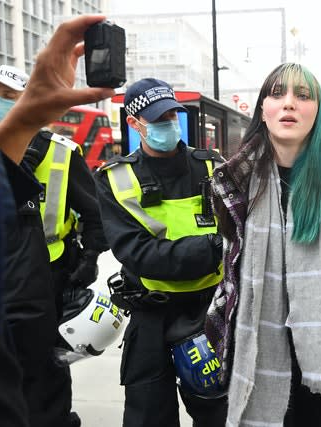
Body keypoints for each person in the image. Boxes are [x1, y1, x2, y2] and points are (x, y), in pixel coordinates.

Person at [204, 63, 321, 427]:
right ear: (263, 109)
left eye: (302, 96)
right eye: (278, 94)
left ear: (317, 110)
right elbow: (231, 256)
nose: (289, 103)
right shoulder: (234, 177)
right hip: (254, 337)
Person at [0, 14, 115, 427]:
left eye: (8, 94)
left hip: (49, 279)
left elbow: (96, 213)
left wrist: (87, 259)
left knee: (44, 385)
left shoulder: (61, 152)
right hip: (0, 281)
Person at [94, 77, 228, 427]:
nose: (168, 124)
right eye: (158, 119)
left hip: (210, 310)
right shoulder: (115, 178)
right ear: (134, 124)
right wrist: (213, 247)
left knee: (217, 412)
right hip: (152, 315)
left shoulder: (212, 166)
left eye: (172, 115)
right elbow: (137, 253)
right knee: (148, 415)